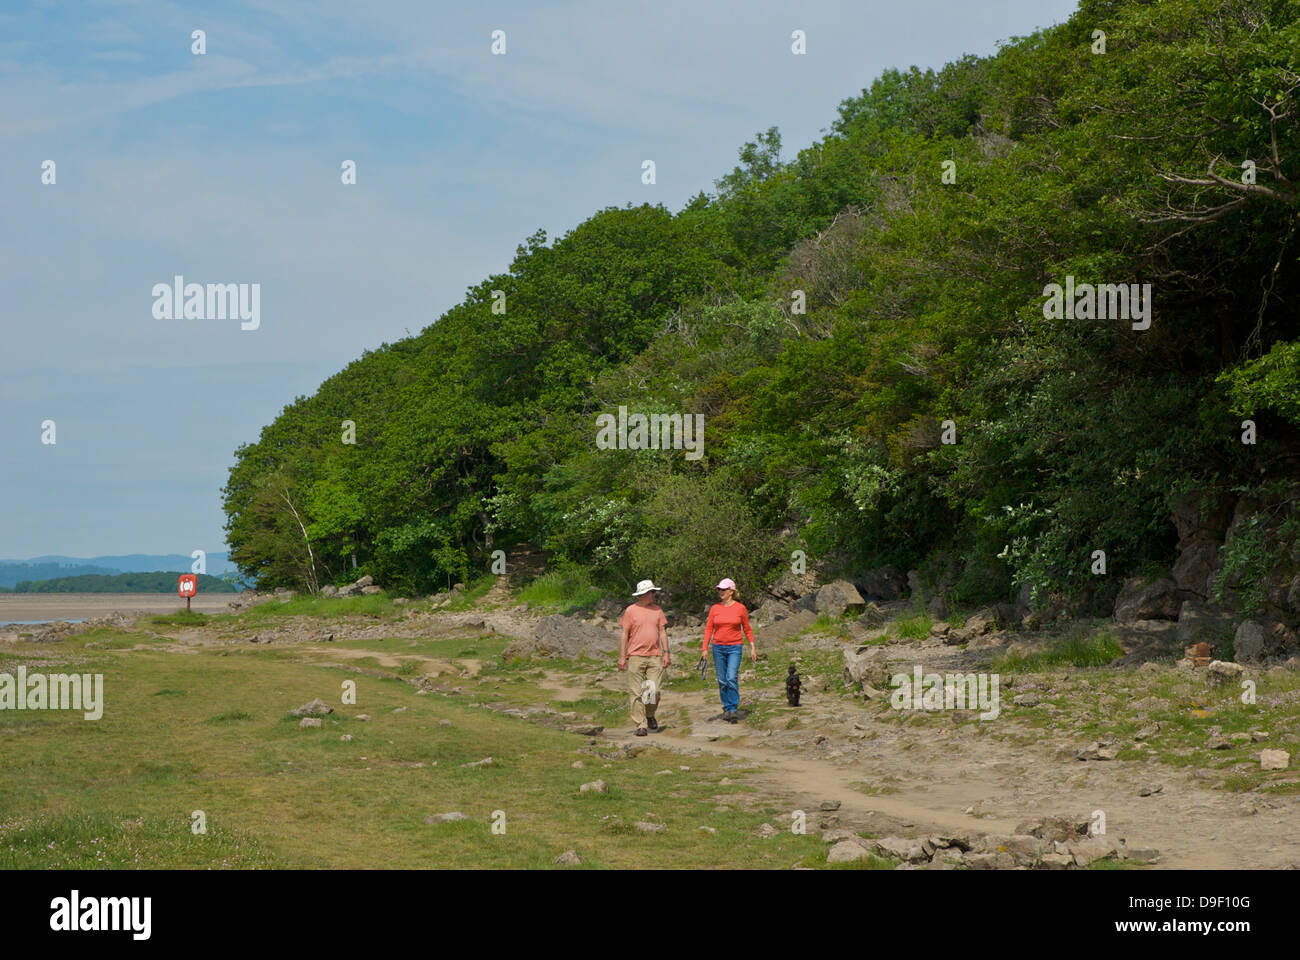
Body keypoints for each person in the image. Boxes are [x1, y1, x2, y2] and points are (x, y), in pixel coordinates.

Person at [618, 579, 670, 737]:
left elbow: (662, 632)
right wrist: (622, 656)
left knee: (654, 690)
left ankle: (649, 714)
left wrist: (666, 652)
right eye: (652, 592)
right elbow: (624, 634)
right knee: (636, 692)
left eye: (654, 592)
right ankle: (640, 725)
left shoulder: (658, 610)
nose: (654, 595)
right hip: (635, 656)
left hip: (655, 656)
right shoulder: (630, 611)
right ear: (643, 595)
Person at [700, 577, 755, 723]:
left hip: (735, 647)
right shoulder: (715, 609)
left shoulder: (740, 608)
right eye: (719, 589)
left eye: (723, 589)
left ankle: (732, 708)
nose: (720, 592)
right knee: (722, 680)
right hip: (718, 648)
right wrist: (704, 648)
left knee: (731, 677)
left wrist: (752, 647)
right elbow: (708, 629)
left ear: (731, 591)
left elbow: (747, 629)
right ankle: (726, 707)